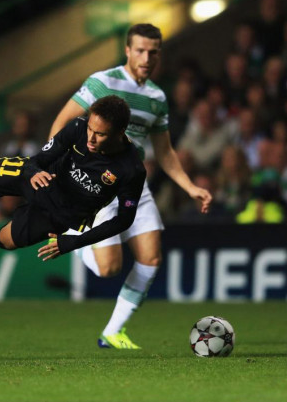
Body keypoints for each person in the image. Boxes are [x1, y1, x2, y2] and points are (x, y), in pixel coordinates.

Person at [49, 23, 212, 349]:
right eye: (140, 50)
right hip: (99, 183)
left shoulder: (156, 98)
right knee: (109, 269)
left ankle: (112, 331)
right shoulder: (102, 82)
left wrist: (190, 187)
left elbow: (165, 152)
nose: (146, 57)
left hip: (135, 183)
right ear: (127, 50)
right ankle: (76, 237)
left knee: (151, 258)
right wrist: (57, 167)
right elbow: (62, 121)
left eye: (153, 52)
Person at [0, 95, 146, 261]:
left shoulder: (132, 169)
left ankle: (23, 217)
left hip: (62, 212)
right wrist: (33, 171)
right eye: (90, 129)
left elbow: (124, 220)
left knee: (3, 241)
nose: (91, 139)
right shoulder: (79, 127)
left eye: (100, 134)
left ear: (120, 132)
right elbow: (38, 160)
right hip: (39, 178)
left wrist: (74, 242)